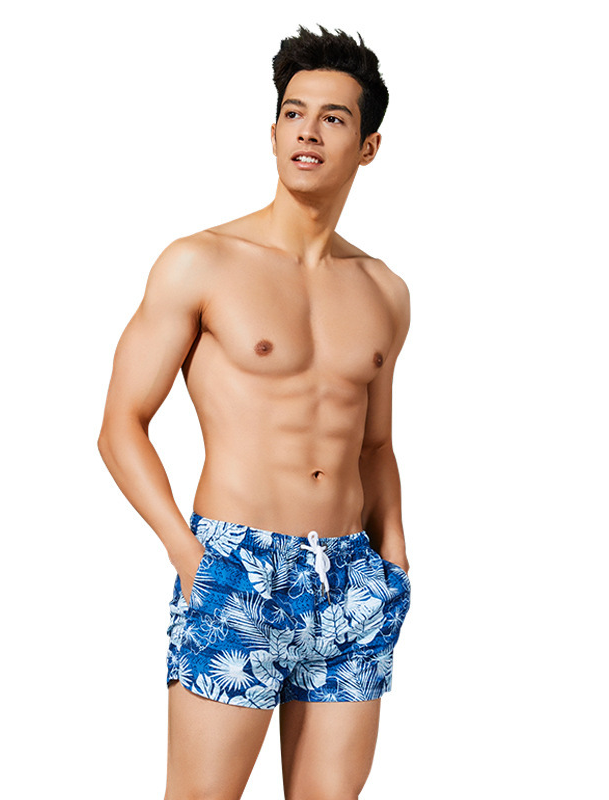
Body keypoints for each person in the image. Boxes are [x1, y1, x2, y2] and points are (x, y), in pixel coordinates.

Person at [97, 24, 412, 800]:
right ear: (273, 132)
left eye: (333, 118)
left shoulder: (383, 290)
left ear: (368, 146)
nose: (307, 131)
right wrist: (189, 556)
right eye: (293, 113)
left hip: (350, 579)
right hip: (234, 569)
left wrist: (395, 559)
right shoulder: (200, 262)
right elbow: (120, 426)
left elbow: (375, 445)